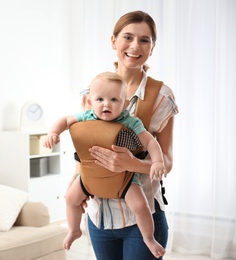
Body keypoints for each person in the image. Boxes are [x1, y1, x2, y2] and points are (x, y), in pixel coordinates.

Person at [79, 11, 178, 260]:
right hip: (99, 215)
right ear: (114, 41)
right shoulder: (92, 92)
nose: (135, 46)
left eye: (144, 40)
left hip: (140, 217)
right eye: (128, 37)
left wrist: (132, 164)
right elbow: (85, 149)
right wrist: (81, 186)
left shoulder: (161, 96)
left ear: (152, 48)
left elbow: (166, 161)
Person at [44, 72, 166, 257]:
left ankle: (148, 238)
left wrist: (157, 161)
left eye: (114, 100)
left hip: (124, 179)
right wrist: (53, 133)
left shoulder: (130, 121)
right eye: (99, 99)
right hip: (90, 178)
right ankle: (74, 230)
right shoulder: (87, 116)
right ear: (90, 101)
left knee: (140, 206)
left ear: (125, 104)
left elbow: (150, 142)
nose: (106, 104)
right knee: (70, 198)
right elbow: (65, 120)